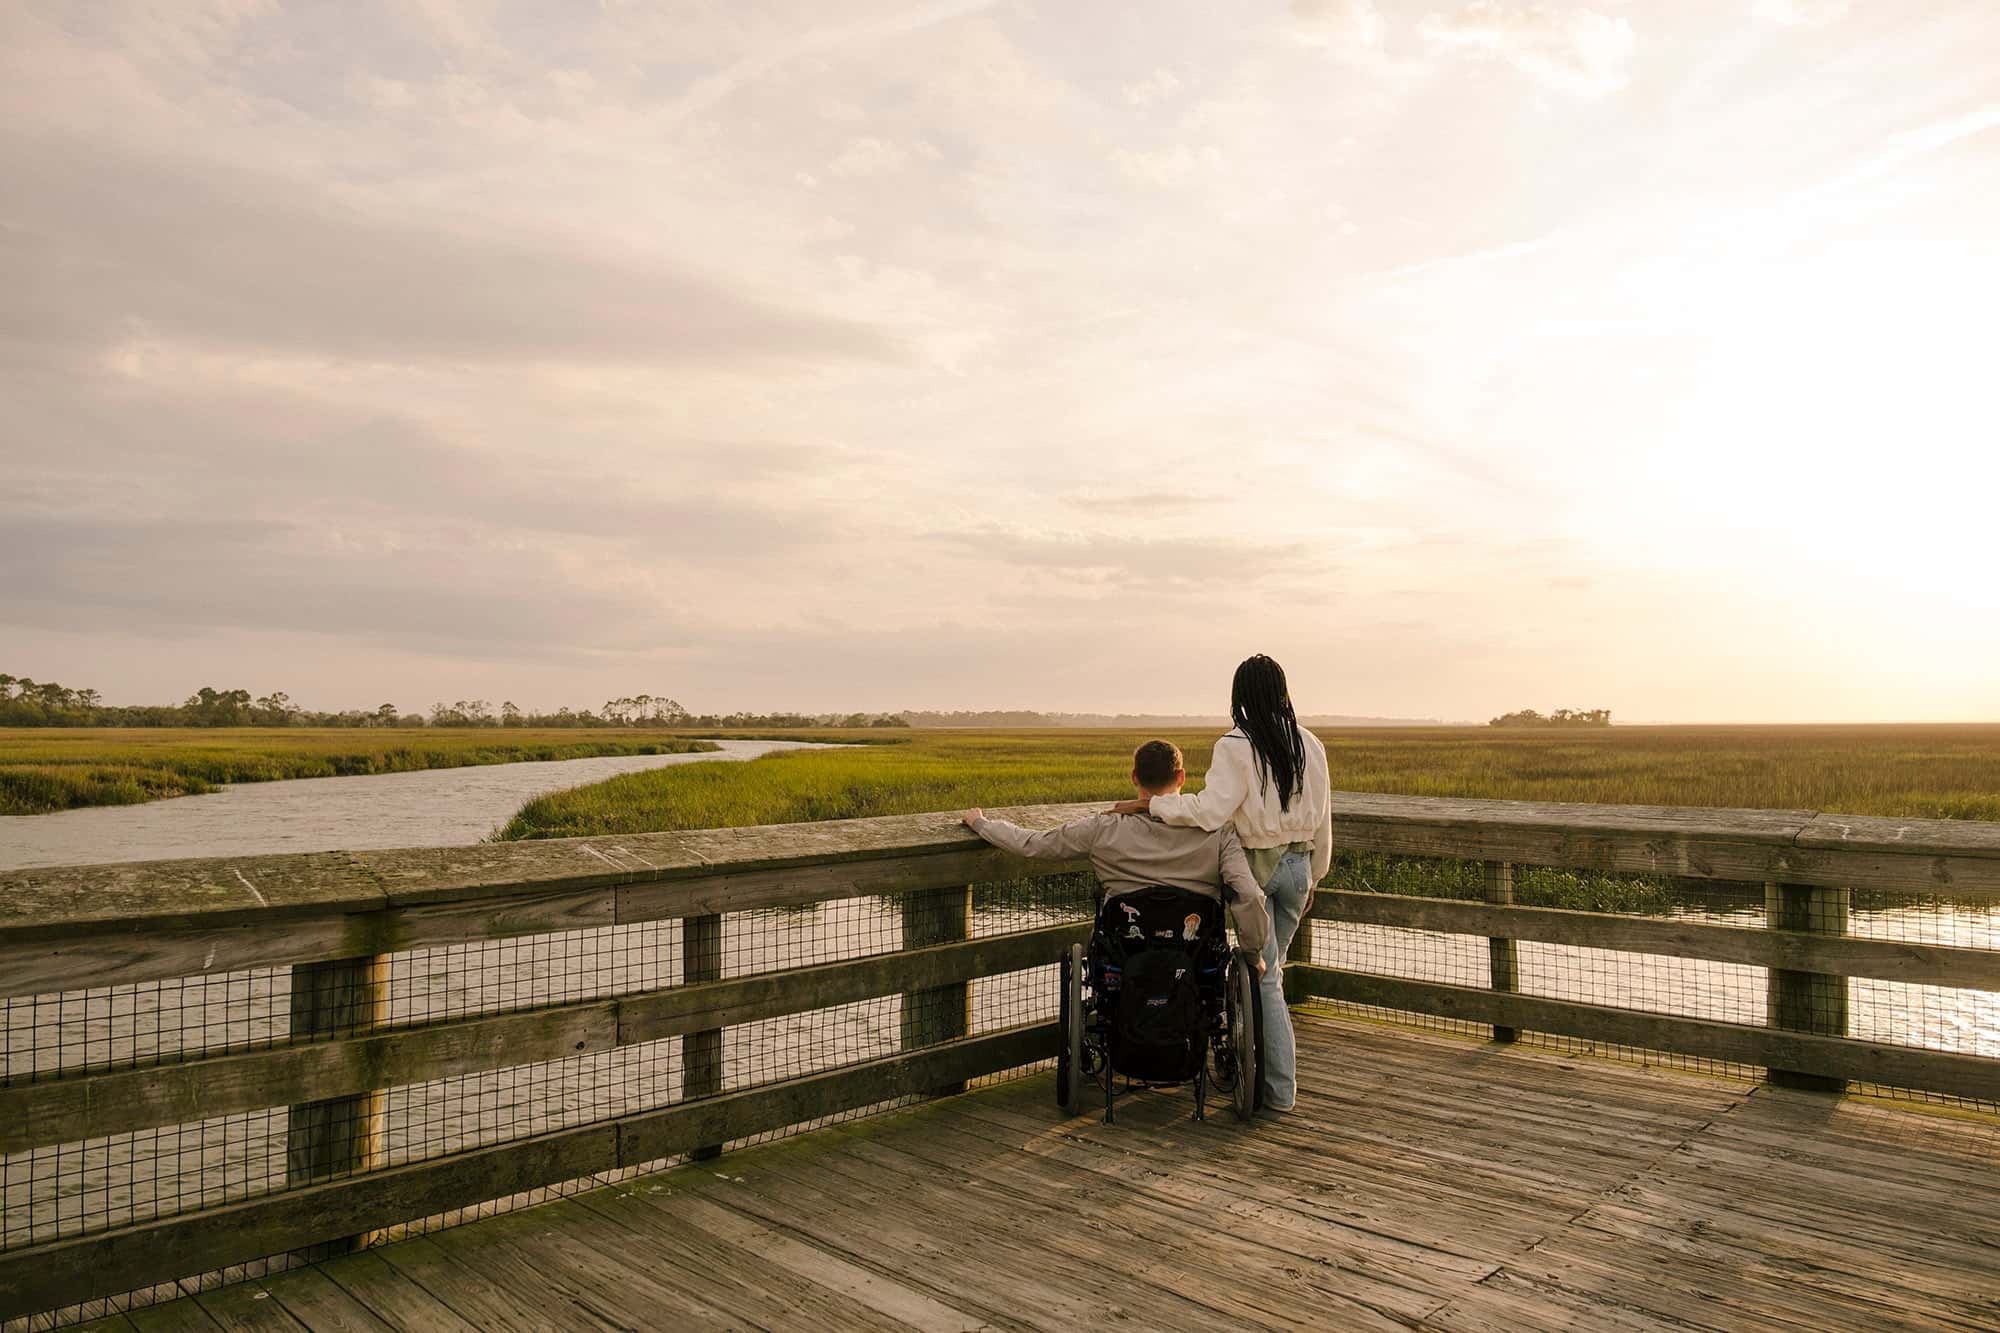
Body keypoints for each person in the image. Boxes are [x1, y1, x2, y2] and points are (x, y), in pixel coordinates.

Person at [1112, 655, 1331, 1112]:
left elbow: (1210, 811)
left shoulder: (1235, 745)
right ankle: (1264, 1079)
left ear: (1239, 696)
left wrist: (1155, 807)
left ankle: (1277, 1093)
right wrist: (1316, 876)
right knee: (1274, 972)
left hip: (1256, 866)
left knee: (1264, 978)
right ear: (1283, 692)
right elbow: (1325, 820)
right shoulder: (1310, 743)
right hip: (1298, 866)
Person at [961, 739, 1272, 962]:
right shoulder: (1218, 831)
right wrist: (1252, 952)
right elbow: (1249, 892)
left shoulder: (1104, 828)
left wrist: (982, 824)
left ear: (1134, 777)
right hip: (1195, 953)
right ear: (1181, 777)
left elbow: (1033, 844)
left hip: (1125, 950)